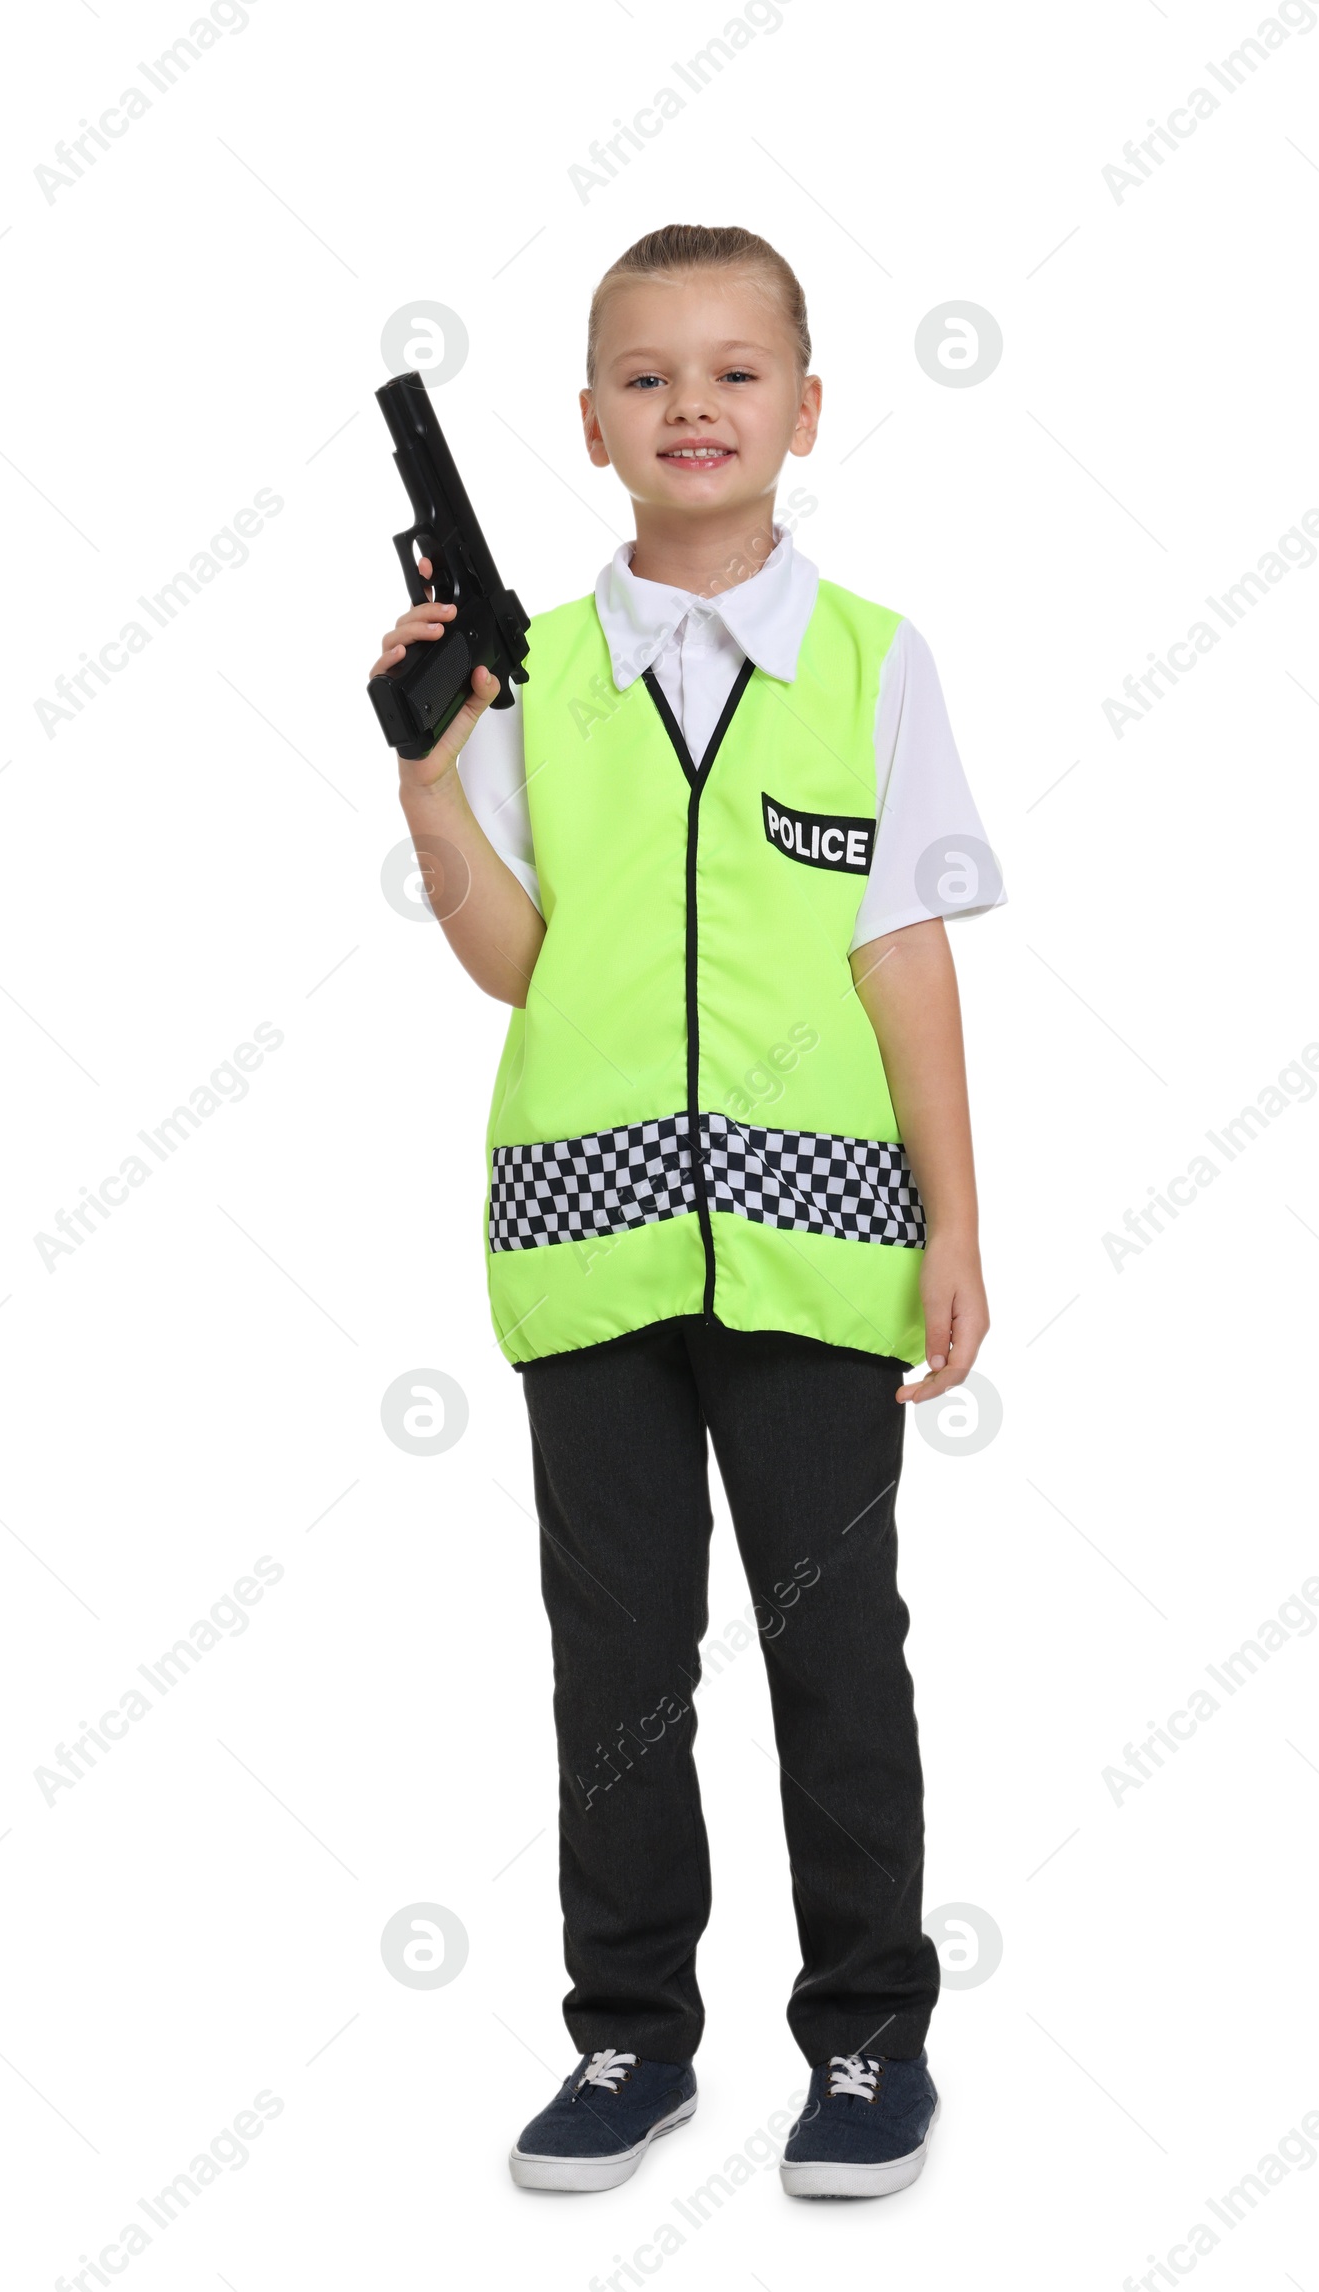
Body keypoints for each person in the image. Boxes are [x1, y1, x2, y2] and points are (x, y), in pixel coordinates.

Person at [367, 223, 1006, 2201]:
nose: (692, 405)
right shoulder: (530, 686)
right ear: (586, 426)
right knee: (617, 1665)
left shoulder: (872, 664)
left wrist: (956, 1226)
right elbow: (511, 963)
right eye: (645, 377)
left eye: (734, 372)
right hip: (592, 1267)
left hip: (824, 1266)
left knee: (839, 1661)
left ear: (803, 410)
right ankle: (631, 2040)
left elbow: (902, 951)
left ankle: (867, 2045)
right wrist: (427, 784)